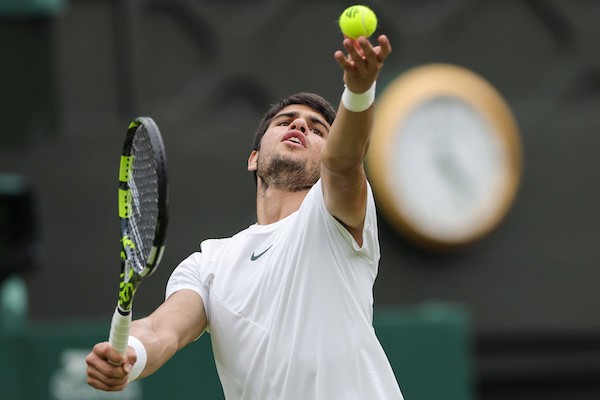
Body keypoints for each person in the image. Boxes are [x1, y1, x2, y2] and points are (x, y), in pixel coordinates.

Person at [86, 33, 402, 399]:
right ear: (254, 158)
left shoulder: (335, 219)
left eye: (317, 130)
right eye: (286, 121)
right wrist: (130, 356)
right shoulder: (209, 264)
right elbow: (162, 331)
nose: (299, 126)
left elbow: (344, 161)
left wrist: (359, 92)